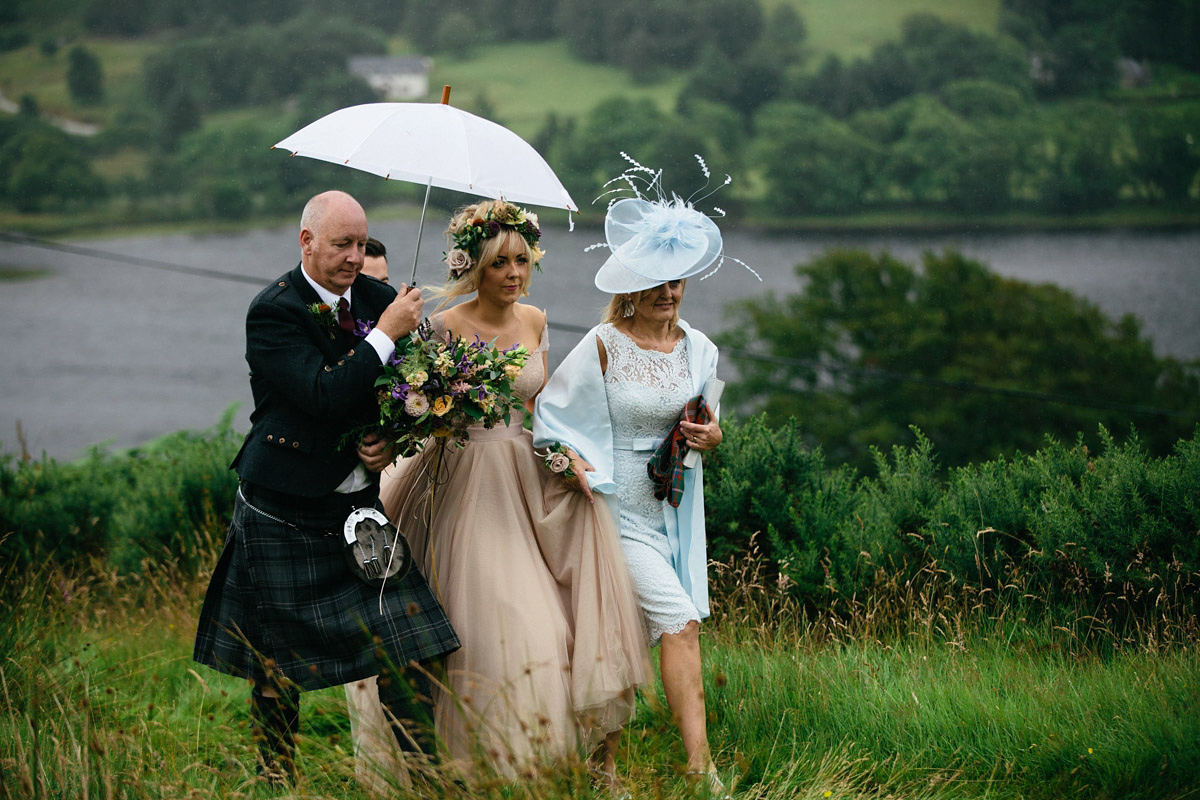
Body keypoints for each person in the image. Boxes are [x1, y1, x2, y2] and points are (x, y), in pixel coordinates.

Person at [347, 199, 650, 787]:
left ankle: (540, 764)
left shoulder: (535, 320)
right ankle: (479, 766)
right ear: (473, 267)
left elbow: (542, 409)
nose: (514, 273)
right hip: (462, 475)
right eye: (499, 264)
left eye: (521, 260)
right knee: (499, 615)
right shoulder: (443, 326)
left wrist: (565, 455)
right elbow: (410, 406)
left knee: (555, 617)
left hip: (524, 472)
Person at [193, 190, 459, 786]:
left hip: (357, 507)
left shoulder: (376, 298)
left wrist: (393, 438)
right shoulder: (273, 311)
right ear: (307, 241)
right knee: (275, 664)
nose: (354, 257)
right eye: (343, 244)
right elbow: (323, 393)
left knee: (412, 641)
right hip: (282, 506)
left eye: (362, 244)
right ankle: (276, 775)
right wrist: (385, 334)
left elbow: (410, 394)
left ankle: (428, 778)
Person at [535, 163, 754, 798]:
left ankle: (599, 768)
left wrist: (712, 437)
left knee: (618, 636)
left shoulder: (700, 349)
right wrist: (573, 466)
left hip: (673, 507)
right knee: (679, 621)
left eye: (677, 280)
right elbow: (549, 419)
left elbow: (705, 421)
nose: (669, 291)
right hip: (613, 507)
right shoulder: (605, 344)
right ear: (633, 286)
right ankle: (699, 768)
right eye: (657, 281)